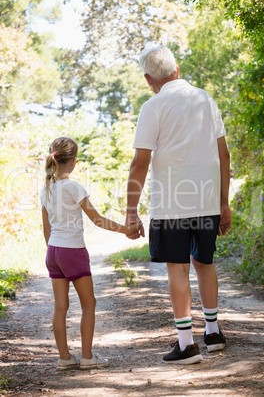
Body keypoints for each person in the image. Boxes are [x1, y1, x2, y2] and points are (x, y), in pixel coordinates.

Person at [125, 45, 231, 364]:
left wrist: (131, 211)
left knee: (178, 267)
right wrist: (224, 203)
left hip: (172, 203)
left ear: (148, 79)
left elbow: (139, 164)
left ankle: (186, 344)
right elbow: (223, 154)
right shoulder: (205, 99)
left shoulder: (153, 106)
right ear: (177, 68)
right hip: (208, 200)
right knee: (205, 263)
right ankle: (212, 333)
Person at [41, 136, 141, 370]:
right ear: (74, 162)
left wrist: (54, 253)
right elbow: (96, 219)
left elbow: (47, 230)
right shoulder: (74, 187)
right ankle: (87, 357)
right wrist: (126, 230)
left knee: (60, 307)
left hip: (53, 252)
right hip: (72, 251)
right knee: (89, 304)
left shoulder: (46, 190)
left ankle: (64, 358)